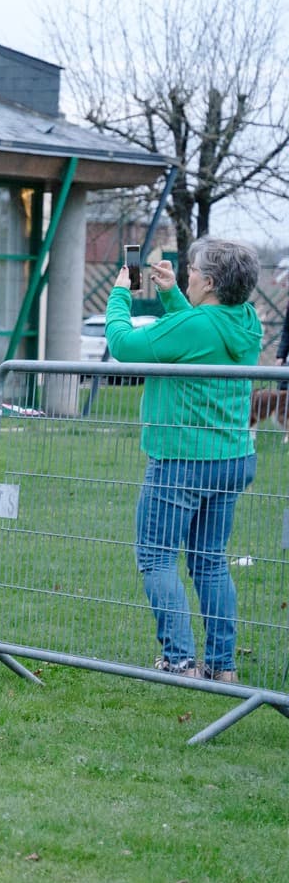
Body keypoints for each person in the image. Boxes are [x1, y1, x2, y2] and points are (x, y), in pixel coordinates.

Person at [106, 239, 263, 681]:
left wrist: (121, 291)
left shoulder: (199, 326)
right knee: (210, 560)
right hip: (232, 457)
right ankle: (221, 666)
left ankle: (178, 660)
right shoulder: (246, 322)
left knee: (156, 557)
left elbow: (123, 343)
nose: (187, 274)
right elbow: (196, 337)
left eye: (192, 271)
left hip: (183, 460)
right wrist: (172, 294)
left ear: (210, 282)